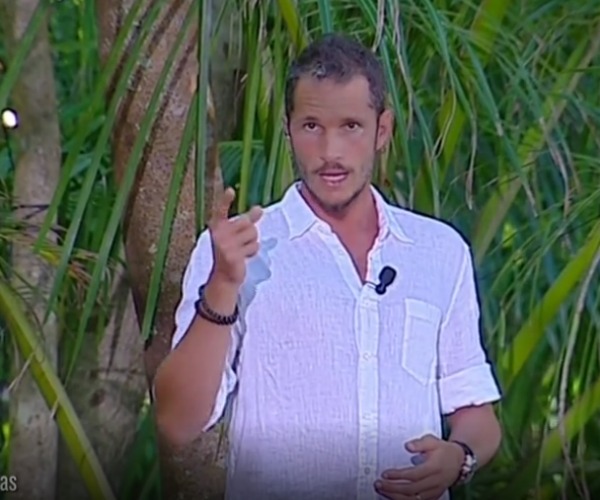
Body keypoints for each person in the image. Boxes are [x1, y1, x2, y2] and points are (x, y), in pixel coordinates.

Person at [153, 33, 502, 500]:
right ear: (288, 129)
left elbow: (477, 414)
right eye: (312, 126)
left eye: (351, 126)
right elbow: (177, 421)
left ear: (382, 131)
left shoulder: (439, 252)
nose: (330, 151)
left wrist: (459, 458)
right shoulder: (238, 249)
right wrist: (222, 286)